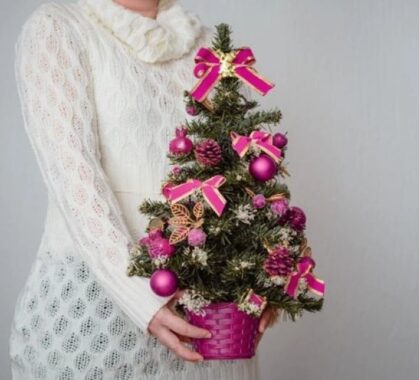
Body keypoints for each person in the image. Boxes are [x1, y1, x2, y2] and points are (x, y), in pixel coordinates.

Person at [10, 0, 272, 378]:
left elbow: (243, 173)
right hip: (96, 316)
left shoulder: (209, 43)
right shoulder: (58, 27)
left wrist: (262, 277)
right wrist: (141, 297)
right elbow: (75, 181)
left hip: (209, 322)